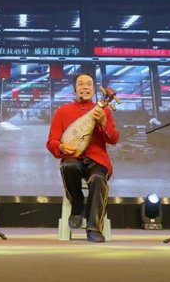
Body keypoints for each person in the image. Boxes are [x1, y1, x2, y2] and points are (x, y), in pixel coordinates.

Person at [46, 73, 119, 243]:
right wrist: (61, 147)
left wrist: (102, 122)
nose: (85, 87)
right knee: (69, 167)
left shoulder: (104, 110)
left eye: (89, 84)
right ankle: (77, 206)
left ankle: (94, 228)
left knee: (97, 179)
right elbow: (51, 141)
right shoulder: (62, 112)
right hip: (73, 157)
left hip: (97, 159)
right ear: (74, 90)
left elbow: (113, 138)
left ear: (94, 90)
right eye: (80, 84)